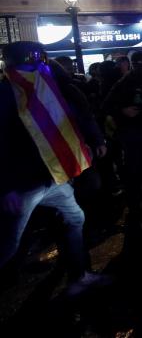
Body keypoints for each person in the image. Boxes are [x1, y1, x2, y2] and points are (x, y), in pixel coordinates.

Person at [0, 42, 110, 296]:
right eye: (33, 62)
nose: (39, 67)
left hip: (54, 177)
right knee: (8, 243)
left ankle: (79, 276)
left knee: (75, 218)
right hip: (24, 183)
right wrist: (6, 187)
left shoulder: (48, 87)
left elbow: (76, 113)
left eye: (41, 62)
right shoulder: (6, 94)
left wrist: (93, 141)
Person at [102, 51, 142, 249]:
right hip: (133, 135)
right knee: (135, 173)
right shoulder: (125, 83)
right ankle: (136, 208)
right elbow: (107, 105)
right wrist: (123, 111)